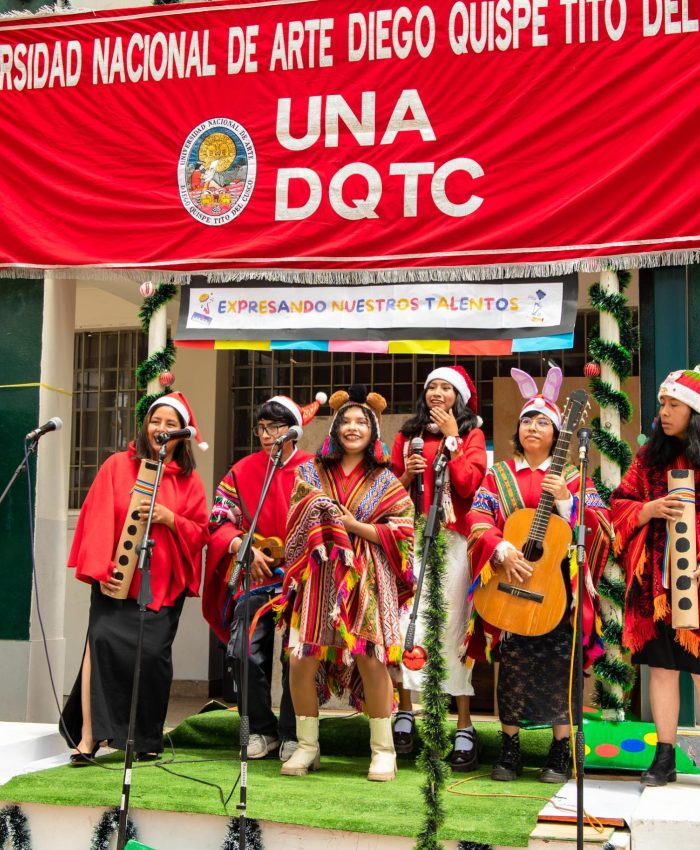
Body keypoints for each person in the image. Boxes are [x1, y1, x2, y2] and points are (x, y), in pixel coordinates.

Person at [464, 367, 613, 783]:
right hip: (511, 584)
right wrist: (501, 548)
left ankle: (559, 751)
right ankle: (509, 748)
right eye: (527, 419)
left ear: (558, 432)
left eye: (543, 421)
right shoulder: (498, 475)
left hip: (556, 589)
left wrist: (567, 502)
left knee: (559, 668)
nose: (533, 426)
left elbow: (600, 525)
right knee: (512, 669)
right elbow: (477, 517)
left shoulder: (573, 477)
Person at [60, 391, 209, 764]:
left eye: (170, 424)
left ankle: (145, 738)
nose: (161, 428)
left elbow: (200, 533)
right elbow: (96, 518)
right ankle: (89, 738)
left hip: (161, 585)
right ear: (145, 426)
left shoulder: (189, 482)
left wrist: (169, 518)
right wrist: (101, 570)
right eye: (155, 421)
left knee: (153, 656)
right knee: (101, 644)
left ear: (182, 435)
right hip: (115, 579)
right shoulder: (116, 466)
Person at [278, 384, 414, 781]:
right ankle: (307, 747)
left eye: (361, 422)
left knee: (371, 658)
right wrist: (318, 511)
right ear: (334, 429)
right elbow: (296, 517)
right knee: (301, 660)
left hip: (367, 579)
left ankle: (383, 751)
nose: (352, 428)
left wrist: (353, 526)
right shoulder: (310, 472)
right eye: (346, 421)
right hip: (319, 575)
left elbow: (404, 530)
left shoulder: (387, 480)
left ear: (374, 432)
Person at [203, 393, 325, 761]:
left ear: (293, 431)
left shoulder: (315, 469)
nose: (268, 435)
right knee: (242, 651)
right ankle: (260, 729)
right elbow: (219, 519)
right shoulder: (242, 471)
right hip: (255, 574)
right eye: (262, 428)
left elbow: (329, 519)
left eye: (276, 427)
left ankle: (292, 732)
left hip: (301, 578)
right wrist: (242, 546)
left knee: (295, 657)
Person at [390, 365, 487, 770]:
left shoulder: (472, 434)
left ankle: (463, 723)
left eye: (447, 388)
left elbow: (468, 486)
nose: (437, 393)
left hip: (454, 539)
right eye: (432, 387)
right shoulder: (407, 435)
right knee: (406, 625)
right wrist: (404, 475)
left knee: (453, 627)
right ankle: (404, 713)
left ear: (458, 398)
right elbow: (387, 492)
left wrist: (452, 439)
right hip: (412, 537)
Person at [610, 367, 700, 786]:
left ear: (693, 412)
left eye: (673, 404)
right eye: (662, 403)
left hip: (696, 581)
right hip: (656, 585)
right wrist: (648, 510)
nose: (664, 412)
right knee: (662, 667)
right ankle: (664, 756)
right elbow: (620, 503)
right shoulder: (648, 458)